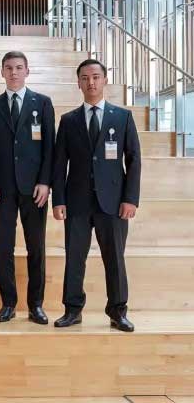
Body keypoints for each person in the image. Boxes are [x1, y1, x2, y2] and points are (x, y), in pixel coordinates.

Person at [52, 59, 141, 332]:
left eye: (95, 77)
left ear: (104, 80)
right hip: (77, 201)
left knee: (115, 259)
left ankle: (118, 312)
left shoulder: (122, 117)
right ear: (78, 83)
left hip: (113, 202)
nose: (90, 82)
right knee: (74, 257)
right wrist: (59, 200)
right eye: (85, 78)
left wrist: (130, 199)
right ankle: (72, 310)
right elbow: (59, 164)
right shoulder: (68, 121)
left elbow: (134, 160)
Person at [0, 51, 55, 325]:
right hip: (2, 189)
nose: (14, 72)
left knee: (36, 248)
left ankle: (36, 305)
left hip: (35, 189)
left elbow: (50, 147)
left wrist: (45, 182)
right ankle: (8, 303)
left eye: (19, 67)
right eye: (9, 68)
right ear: (2, 72)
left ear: (27, 71)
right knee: (4, 248)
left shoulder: (43, 103)